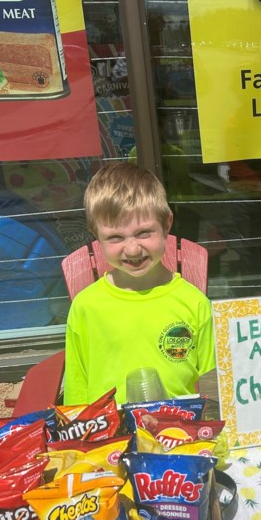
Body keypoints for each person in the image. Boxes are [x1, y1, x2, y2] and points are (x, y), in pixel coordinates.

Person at [63, 162, 215, 405]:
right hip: (111, 436)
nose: (132, 249)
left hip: (178, 433)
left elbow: (213, 383)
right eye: (115, 237)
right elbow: (76, 387)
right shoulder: (86, 307)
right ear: (96, 235)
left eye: (144, 233)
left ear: (166, 225)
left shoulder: (194, 303)